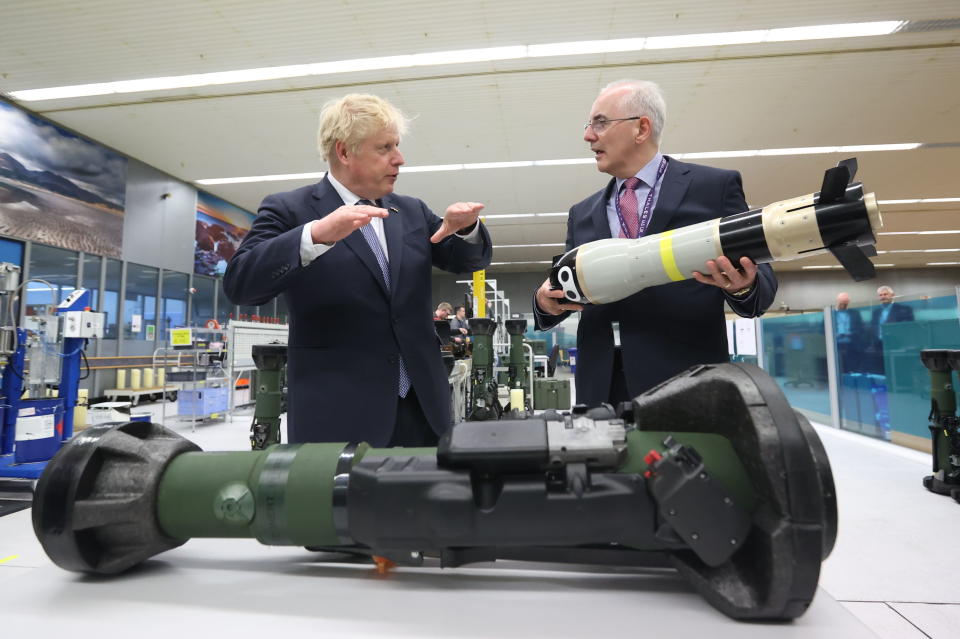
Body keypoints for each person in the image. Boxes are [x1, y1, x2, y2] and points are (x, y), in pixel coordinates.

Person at [224, 93, 492, 446]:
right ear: (345, 152)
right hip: (339, 415)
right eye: (385, 148)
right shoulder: (291, 210)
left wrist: (466, 228)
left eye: (396, 146)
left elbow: (468, 260)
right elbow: (241, 283)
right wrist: (315, 236)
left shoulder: (410, 212)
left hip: (424, 410)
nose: (399, 159)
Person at [533, 79, 777, 407]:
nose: (588, 135)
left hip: (687, 383)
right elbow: (566, 289)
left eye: (600, 123)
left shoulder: (713, 187)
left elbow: (761, 281)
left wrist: (742, 286)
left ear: (641, 128)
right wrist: (544, 303)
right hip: (602, 389)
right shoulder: (582, 214)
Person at [866, 285, 915, 374]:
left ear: (892, 295)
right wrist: (871, 345)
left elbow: (909, 329)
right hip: (879, 347)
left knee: (898, 371)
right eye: (880, 295)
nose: (883, 297)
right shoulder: (876, 312)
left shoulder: (904, 309)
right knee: (880, 371)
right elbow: (873, 330)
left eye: (885, 294)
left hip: (897, 346)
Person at [834, 292, 865, 373]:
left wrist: (851, 334)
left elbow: (861, 329)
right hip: (836, 344)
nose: (843, 304)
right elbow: (822, 330)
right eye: (841, 302)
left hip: (852, 344)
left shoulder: (855, 313)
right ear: (837, 301)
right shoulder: (832, 314)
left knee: (853, 366)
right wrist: (835, 335)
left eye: (845, 302)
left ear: (848, 302)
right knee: (838, 366)